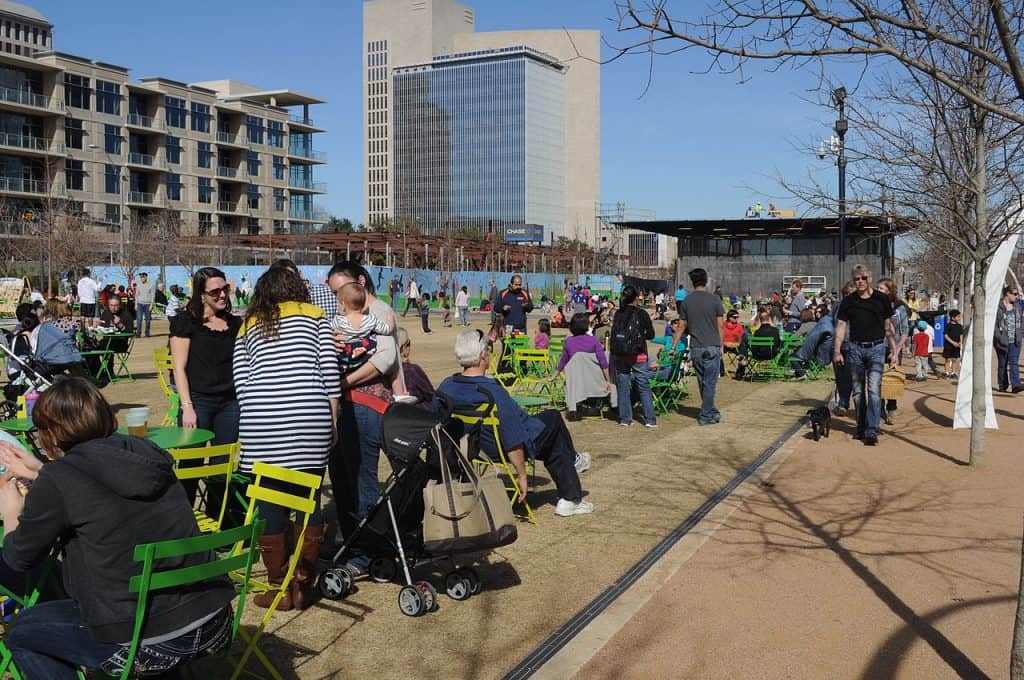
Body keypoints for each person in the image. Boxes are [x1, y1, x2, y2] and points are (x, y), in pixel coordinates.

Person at [0, 377, 234, 679]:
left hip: (148, 638)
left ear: (52, 434)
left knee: (21, 632)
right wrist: (41, 472)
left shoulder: (61, 478)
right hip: (213, 616)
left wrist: (11, 512)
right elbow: (100, 487)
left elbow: (19, 558)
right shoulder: (147, 452)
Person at [233, 266, 340, 610]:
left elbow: (241, 379)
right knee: (308, 502)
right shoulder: (316, 315)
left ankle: (279, 587)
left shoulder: (248, 323)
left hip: (262, 422)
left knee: (270, 504)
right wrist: (333, 419)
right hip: (309, 418)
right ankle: (303, 583)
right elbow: (329, 370)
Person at [435, 330, 594, 517]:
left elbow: (437, 425)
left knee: (554, 439)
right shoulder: (493, 391)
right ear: (483, 356)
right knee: (553, 418)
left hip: (470, 447)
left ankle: (572, 490)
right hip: (500, 448)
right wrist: (521, 474)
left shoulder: (446, 387)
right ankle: (572, 483)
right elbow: (512, 438)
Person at [326, 261, 402, 577]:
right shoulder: (340, 319)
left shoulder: (379, 311)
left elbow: (386, 359)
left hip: (365, 405)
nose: (337, 297)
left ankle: (372, 551)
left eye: (341, 290)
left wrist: (341, 382)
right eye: (334, 293)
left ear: (359, 282)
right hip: (339, 406)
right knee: (342, 478)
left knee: (362, 478)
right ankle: (352, 546)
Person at [170, 267, 242, 447]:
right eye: (215, 291)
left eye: (225, 289)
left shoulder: (236, 324)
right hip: (198, 401)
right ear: (202, 294)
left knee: (222, 464)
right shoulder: (185, 322)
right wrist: (187, 407)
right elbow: (178, 368)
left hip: (230, 403)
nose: (222, 295)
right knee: (191, 462)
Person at [833, 265, 899, 446]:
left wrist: (894, 351)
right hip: (855, 349)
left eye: (863, 278)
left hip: (877, 348)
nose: (860, 281)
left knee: (874, 391)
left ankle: (872, 430)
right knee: (859, 392)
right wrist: (837, 351)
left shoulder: (882, 299)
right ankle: (861, 428)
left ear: (870, 278)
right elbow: (840, 326)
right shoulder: (848, 302)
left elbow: (888, 326)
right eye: (856, 279)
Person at [330, 281, 410, 399]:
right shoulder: (370, 319)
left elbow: (328, 332)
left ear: (342, 304)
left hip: (346, 357)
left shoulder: (338, 320)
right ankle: (400, 394)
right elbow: (386, 330)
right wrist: (390, 322)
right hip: (364, 355)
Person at [672, 268, 724, 425]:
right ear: (706, 280)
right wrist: (721, 346)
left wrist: (673, 345)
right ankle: (706, 415)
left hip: (696, 347)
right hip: (712, 345)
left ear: (692, 282)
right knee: (710, 383)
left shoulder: (687, 301)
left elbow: (681, 326)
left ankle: (711, 410)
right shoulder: (715, 299)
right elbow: (720, 325)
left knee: (703, 382)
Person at [610, 286, 657, 428]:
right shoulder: (641, 313)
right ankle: (650, 419)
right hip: (638, 354)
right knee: (643, 385)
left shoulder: (619, 313)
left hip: (620, 354)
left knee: (622, 387)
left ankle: (625, 418)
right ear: (636, 298)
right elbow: (651, 334)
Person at [551, 313, 611, 420]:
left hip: (577, 382)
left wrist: (553, 376)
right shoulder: (594, 340)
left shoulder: (568, 342)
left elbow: (563, 362)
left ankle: (579, 406)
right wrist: (608, 380)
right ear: (586, 325)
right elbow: (603, 362)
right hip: (594, 380)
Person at [995, 286, 1023, 393]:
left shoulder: (1017, 307)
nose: (1016, 296)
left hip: (1015, 341)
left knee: (1014, 362)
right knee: (1002, 364)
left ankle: (1016, 385)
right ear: (1008, 294)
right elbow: (995, 325)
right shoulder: (998, 307)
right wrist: (998, 338)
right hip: (1001, 341)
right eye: (1015, 294)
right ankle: (1003, 385)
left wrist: (1020, 335)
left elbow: (1021, 322)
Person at [398, 328, 435, 409]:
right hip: (416, 415)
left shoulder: (378, 370)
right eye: (408, 344)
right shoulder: (411, 370)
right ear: (403, 347)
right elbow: (430, 394)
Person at [134, 272, 155, 337]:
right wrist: (136, 304)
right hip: (140, 304)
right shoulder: (139, 285)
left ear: (146, 277)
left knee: (148, 320)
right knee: (139, 319)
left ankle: (147, 333)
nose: (141, 279)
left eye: (143, 277)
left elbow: (153, 295)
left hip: (148, 304)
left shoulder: (151, 285)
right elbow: (136, 295)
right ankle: (138, 333)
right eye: (141, 277)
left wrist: (151, 305)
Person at [943, 310, 962, 377]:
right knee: (947, 359)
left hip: (956, 346)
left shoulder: (960, 326)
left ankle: (953, 373)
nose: (959, 318)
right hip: (948, 346)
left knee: (954, 359)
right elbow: (945, 335)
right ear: (953, 318)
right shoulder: (948, 326)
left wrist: (960, 342)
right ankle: (946, 372)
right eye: (958, 317)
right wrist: (953, 342)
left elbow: (961, 335)